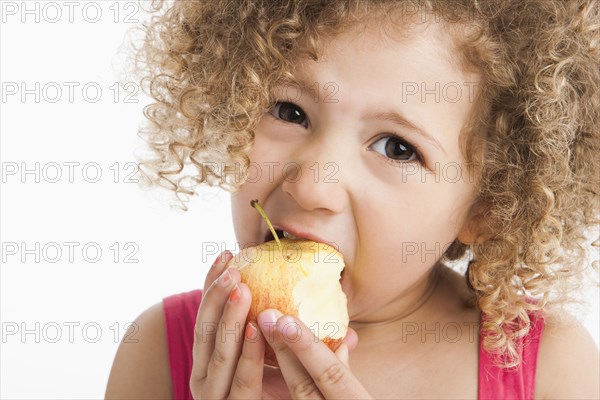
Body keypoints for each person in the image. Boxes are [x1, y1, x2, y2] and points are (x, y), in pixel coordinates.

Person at [106, 0, 599, 398]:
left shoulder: (549, 369)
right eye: (289, 110)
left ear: (486, 207)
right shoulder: (158, 353)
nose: (311, 185)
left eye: (397, 148)